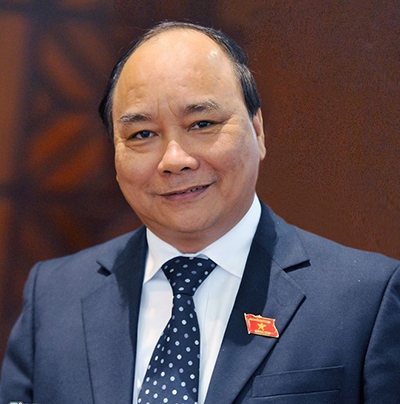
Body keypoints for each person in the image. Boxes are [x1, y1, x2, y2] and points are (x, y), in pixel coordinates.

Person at [0, 21, 399, 404]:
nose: (174, 159)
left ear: (258, 131)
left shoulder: (364, 300)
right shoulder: (54, 297)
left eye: (202, 123)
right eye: (142, 134)